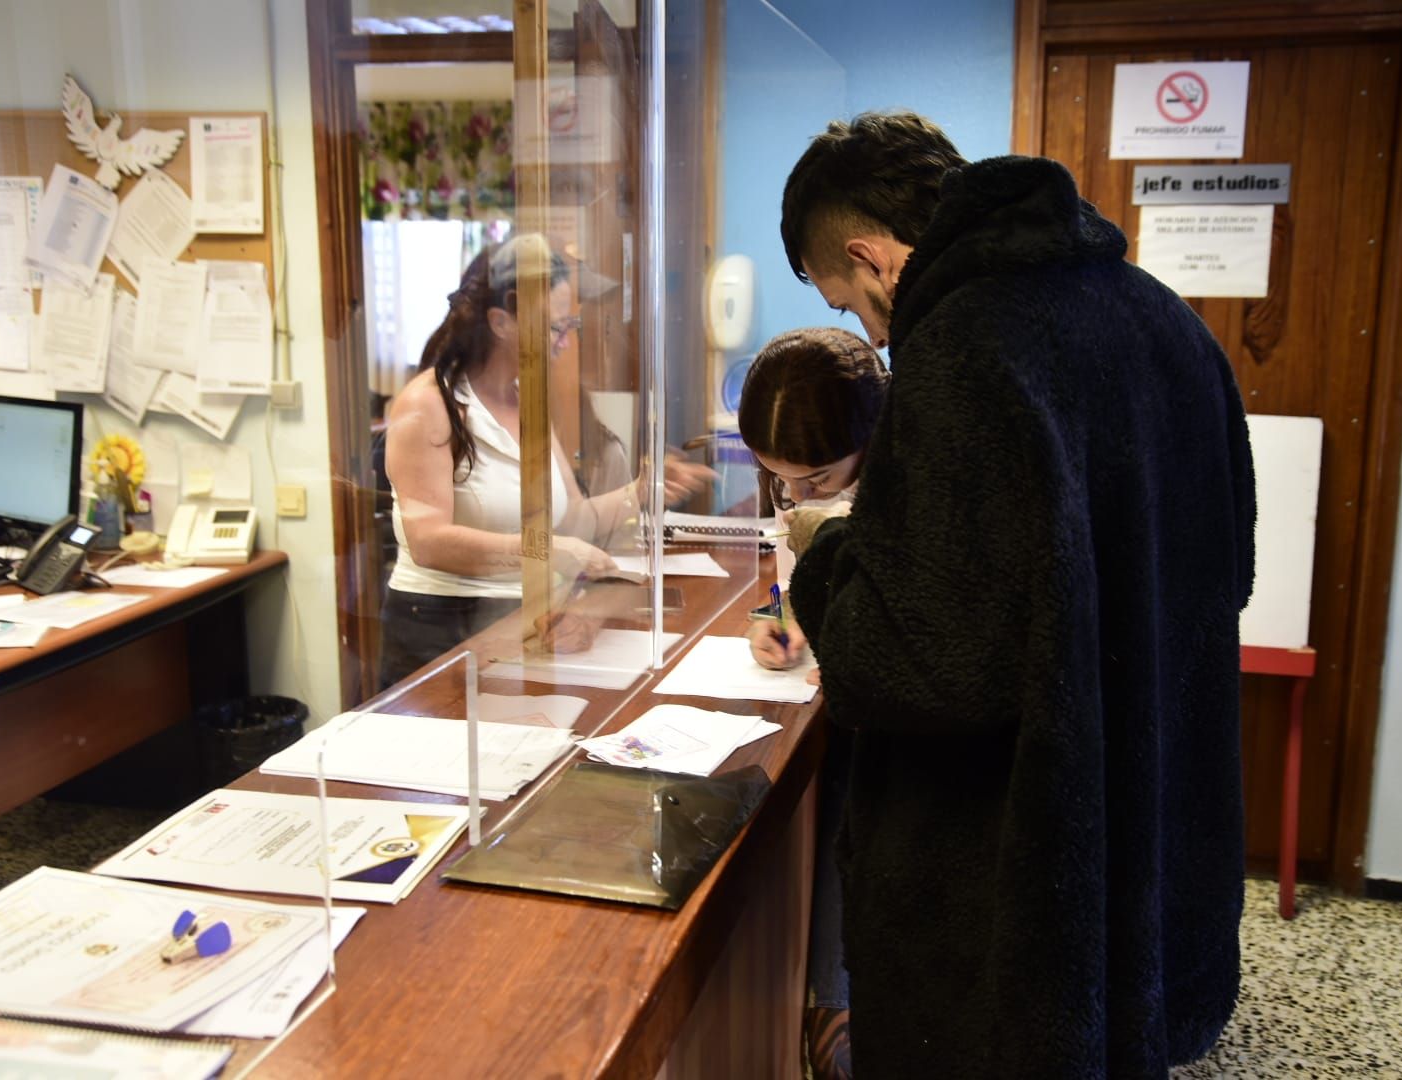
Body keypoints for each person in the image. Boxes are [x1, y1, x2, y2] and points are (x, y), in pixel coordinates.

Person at [777, 112, 1257, 1077]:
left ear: (872, 259)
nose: (870, 332)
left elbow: (921, 665)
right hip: (1156, 821)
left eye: (850, 305)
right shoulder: (1167, 319)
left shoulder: (961, 351)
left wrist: (825, 551)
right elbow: (1229, 562)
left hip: (1018, 883)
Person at [379, 235, 712, 688]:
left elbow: (571, 519)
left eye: (569, 324)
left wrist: (642, 490)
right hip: (440, 627)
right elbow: (428, 541)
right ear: (501, 322)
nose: (566, 342)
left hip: (518, 620)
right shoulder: (428, 406)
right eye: (556, 327)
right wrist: (546, 550)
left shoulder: (529, 401)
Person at [736, 326, 888, 1079]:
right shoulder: (805, 488)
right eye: (778, 479)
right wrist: (779, 621)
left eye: (817, 478)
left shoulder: (907, 495)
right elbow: (786, 578)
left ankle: (835, 1014)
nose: (797, 495)